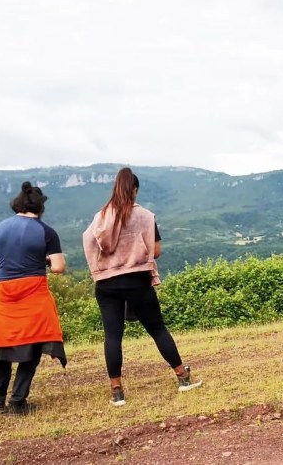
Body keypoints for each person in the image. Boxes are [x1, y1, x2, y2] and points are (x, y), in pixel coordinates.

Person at [82, 167, 202, 406]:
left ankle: (117, 392)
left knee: (113, 336)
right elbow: (155, 251)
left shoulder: (101, 216)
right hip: (137, 280)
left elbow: (88, 242)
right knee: (157, 329)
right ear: (134, 190)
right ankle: (182, 376)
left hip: (106, 282)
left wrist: (101, 269)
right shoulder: (146, 216)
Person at [0, 182, 67, 415]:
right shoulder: (46, 231)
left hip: (4, 293)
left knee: (2, 344)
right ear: (39, 207)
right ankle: (17, 401)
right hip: (33, 292)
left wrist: (4, 259)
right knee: (33, 344)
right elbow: (58, 267)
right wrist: (41, 260)